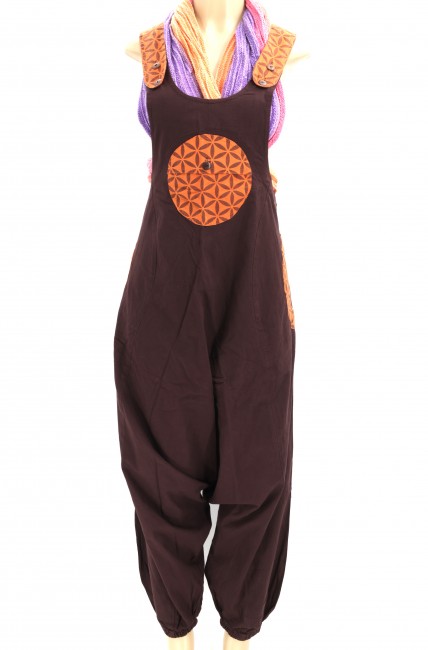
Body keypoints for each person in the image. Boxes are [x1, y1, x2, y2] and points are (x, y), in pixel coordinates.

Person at [113, 1, 298, 647]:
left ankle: (239, 631)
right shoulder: (148, 52)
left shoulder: (280, 51)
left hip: (253, 297)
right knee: (158, 470)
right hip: (161, 299)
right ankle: (178, 630)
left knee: (259, 467)